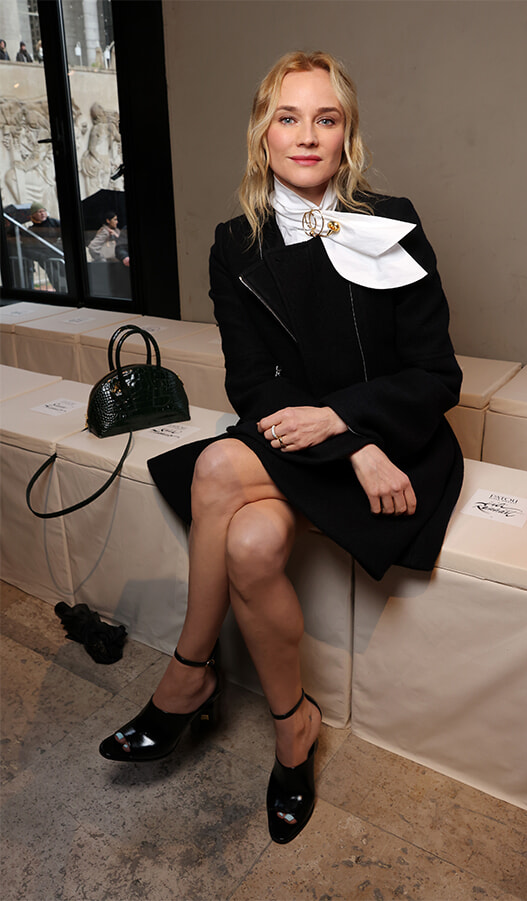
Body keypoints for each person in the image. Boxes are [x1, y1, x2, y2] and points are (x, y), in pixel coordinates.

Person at [98, 50, 464, 845]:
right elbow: (253, 386)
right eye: (287, 118)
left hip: (398, 447)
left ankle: (186, 677)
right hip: (290, 439)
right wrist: (337, 440)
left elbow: (439, 376)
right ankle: (294, 725)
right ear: (263, 135)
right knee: (251, 542)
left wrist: (351, 431)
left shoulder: (393, 221)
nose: (306, 136)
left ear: (347, 136)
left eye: (325, 119)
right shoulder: (235, 243)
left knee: (217, 466)